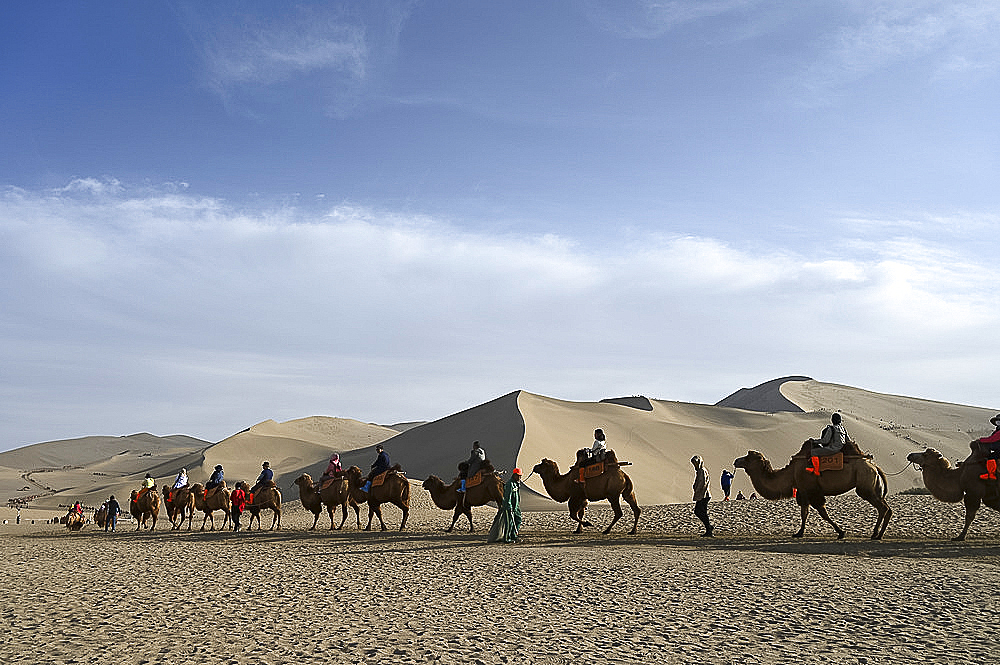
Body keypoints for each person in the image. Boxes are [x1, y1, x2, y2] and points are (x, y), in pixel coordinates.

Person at [488, 468, 522, 543]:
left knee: (518, 520)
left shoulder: (517, 483)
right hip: (509, 507)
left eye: (520, 476)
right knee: (509, 523)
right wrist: (508, 506)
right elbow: (507, 496)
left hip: (516, 506)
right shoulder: (510, 484)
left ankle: (514, 536)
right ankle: (507, 538)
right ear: (514, 475)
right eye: (518, 476)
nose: (519, 478)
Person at [691, 455, 713, 537]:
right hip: (702, 495)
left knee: (699, 511)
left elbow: (702, 483)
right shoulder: (700, 471)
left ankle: (709, 529)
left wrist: (698, 491)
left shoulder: (702, 471)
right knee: (701, 512)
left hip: (703, 495)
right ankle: (709, 528)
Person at [973, 414, 1000, 479]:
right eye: (998, 421)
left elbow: (992, 439)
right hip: (997, 449)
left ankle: (991, 474)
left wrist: (981, 440)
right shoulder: (997, 431)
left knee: (991, 457)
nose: (998, 423)